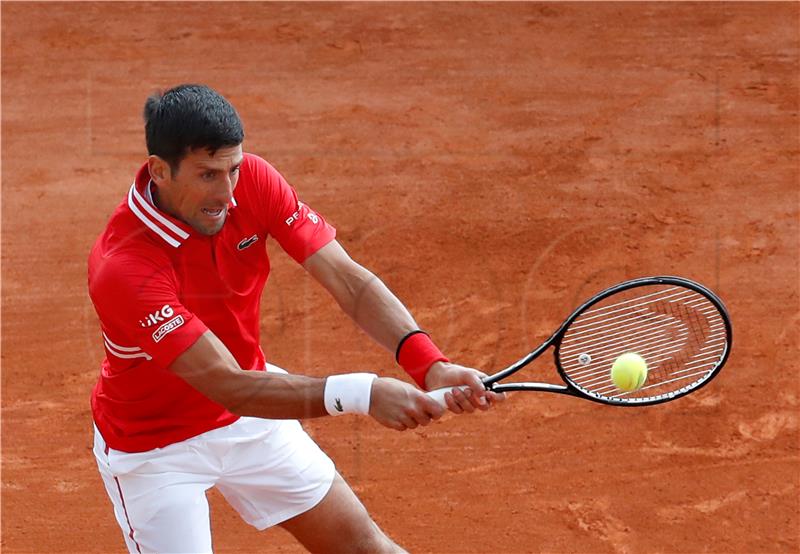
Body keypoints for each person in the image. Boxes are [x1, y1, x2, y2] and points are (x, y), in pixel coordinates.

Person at [88, 83, 503, 553]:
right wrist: (362, 393)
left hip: (255, 418)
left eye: (233, 170)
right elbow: (229, 384)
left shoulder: (256, 182)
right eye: (207, 175)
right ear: (160, 171)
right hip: (156, 450)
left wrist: (429, 364)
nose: (226, 193)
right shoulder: (124, 268)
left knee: (366, 547)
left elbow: (348, 279)